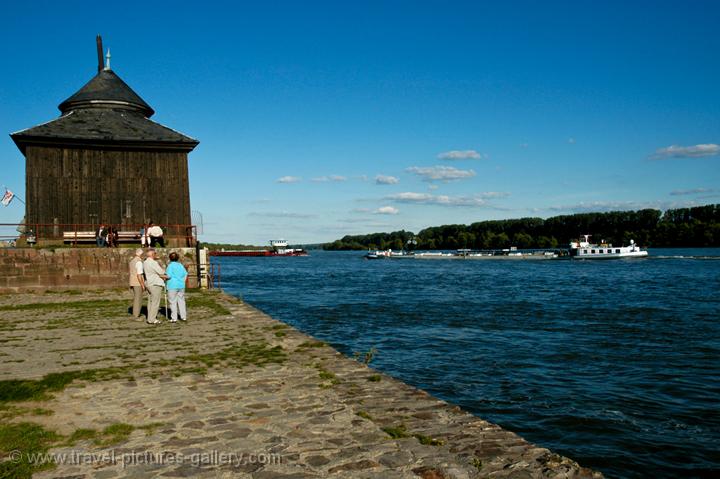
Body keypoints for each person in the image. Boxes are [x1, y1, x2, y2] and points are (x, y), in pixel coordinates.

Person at [143, 248, 168, 324]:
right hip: (155, 283)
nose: (155, 255)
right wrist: (167, 275)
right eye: (155, 253)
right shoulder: (153, 262)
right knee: (155, 302)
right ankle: (152, 319)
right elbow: (161, 272)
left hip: (149, 283)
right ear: (152, 254)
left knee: (150, 302)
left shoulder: (145, 262)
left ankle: (150, 317)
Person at [165, 251, 188, 322]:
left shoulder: (170, 266)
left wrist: (164, 277)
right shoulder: (180, 265)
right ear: (177, 258)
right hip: (181, 285)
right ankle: (183, 316)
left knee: (173, 302)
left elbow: (168, 276)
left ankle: (174, 318)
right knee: (181, 301)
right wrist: (183, 281)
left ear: (170, 258)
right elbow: (186, 274)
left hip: (172, 285)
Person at [129, 248, 145, 320]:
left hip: (132, 281)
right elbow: (139, 274)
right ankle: (136, 314)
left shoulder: (132, 261)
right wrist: (142, 284)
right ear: (141, 254)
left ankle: (135, 313)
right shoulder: (139, 262)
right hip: (137, 282)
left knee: (136, 298)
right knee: (138, 299)